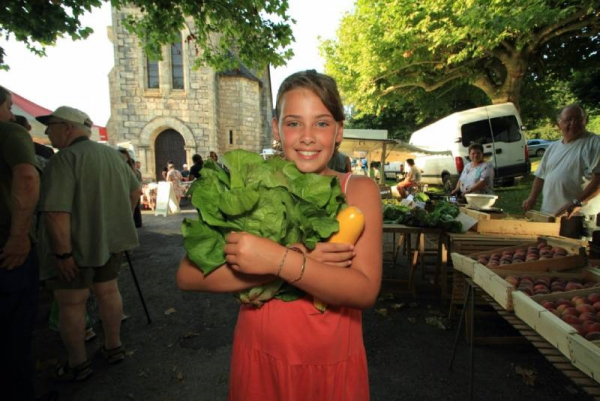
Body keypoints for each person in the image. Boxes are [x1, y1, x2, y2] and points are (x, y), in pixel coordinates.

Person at [177, 70, 382, 400]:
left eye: (322, 123)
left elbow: (364, 291)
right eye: (293, 123)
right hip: (260, 358)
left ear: (339, 130)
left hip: (329, 365)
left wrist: (278, 260)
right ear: (276, 128)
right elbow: (188, 276)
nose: (307, 136)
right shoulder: (249, 185)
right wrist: (296, 261)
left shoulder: (359, 190)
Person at [36, 106, 141, 381]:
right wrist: (119, 224)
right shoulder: (113, 155)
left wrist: (62, 254)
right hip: (109, 242)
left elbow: (56, 213)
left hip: (75, 246)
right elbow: (135, 191)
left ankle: (78, 362)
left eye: (52, 126)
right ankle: (114, 346)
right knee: (108, 291)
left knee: (72, 302)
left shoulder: (64, 160)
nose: (48, 132)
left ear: (68, 127)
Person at [0, 86, 41, 401]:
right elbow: (27, 178)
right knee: (14, 331)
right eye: (9, 105)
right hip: (8, 250)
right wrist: (18, 237)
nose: (12, 113)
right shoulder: (10, 133)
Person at [523, 104, 600, 226]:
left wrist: (577, 203)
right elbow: (540, 176)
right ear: (559, 125)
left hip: (577, 216)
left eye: (578, 119)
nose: (573, 123)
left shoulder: (595, 143)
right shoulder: (553, 147)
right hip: (549, 215)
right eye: (568, 119)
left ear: (586, 120)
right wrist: (532, 197)